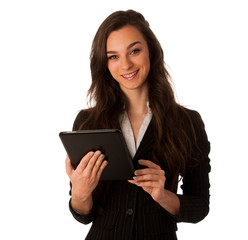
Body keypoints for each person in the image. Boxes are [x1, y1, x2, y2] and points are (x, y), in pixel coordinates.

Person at [65, 9, 210, 240]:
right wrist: (81, 194)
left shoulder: (187, 122)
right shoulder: (88, 122)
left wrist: (163, 196)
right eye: (113, 56)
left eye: (134, 51)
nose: (126, 65)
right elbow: (83, 214)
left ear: (150, 51)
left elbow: (200, 206)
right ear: (105, 63)